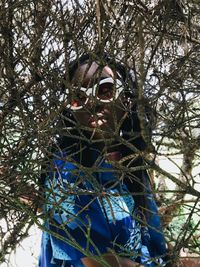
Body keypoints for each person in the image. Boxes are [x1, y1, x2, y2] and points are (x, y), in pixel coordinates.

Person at [39, 53, 168, 267]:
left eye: (105, 89)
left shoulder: (130, 161)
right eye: (79, 97)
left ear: (126, 97)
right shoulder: (66, 173)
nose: (92, 103)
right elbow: (99, 263)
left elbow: (151, 241)